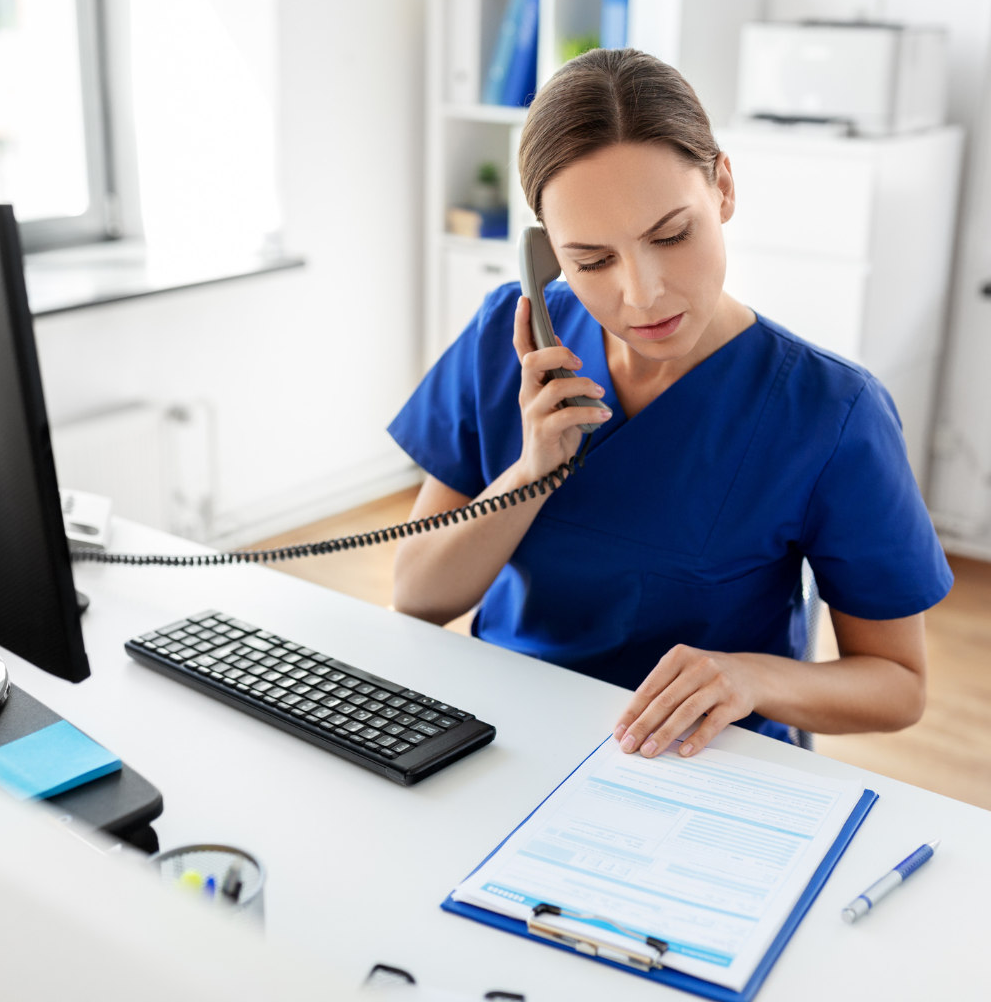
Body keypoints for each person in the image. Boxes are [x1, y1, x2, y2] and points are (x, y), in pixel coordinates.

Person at [388, 49, 952, 759]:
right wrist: (529, 472)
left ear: (722, 187)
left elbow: (899, 685)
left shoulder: (831, 412)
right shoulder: (511, 342)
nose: (643, 293)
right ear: (548, 255)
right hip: (507, 738)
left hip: (701, 762)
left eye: (671, 235)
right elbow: (417, 596)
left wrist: (748, 678)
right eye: (592, 261)